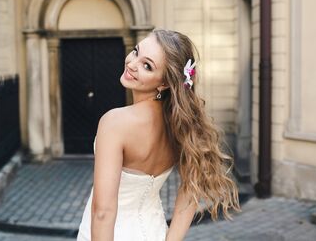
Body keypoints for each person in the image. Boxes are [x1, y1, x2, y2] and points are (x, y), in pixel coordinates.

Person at [77, 29, 241, 241]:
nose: (132, 64)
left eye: (147, 65)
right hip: (156, 232)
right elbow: (191, 190)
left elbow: (102, 212)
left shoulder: (114, 123)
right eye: (136, 52)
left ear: (164, 83)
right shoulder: (181, 126)